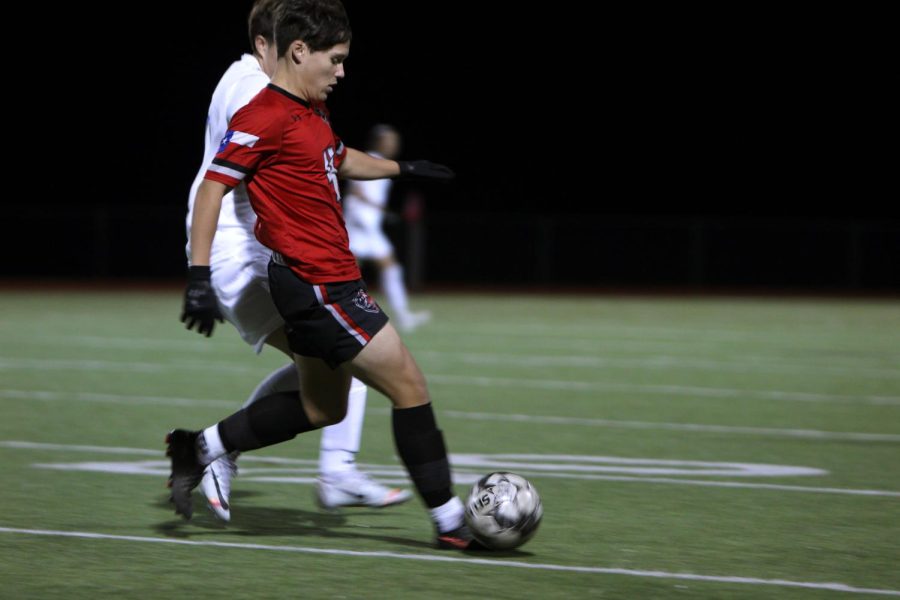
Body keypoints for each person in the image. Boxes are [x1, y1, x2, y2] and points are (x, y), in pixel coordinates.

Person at [171, 0, 478, 549]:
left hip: (325, 278)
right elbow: (213, 187)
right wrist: (198, 277)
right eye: (335, 60)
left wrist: (403, 168)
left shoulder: (310, 112)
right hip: (317, 285)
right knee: (409, 386)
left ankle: (202, 447)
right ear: (296, 51)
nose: (342, 72)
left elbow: (339, 158)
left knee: (324, 405)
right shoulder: (261, 111)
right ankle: (450, 520)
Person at [343, 125, 430, 331]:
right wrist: (381, 209)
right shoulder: (369, 159)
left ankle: (403, 315)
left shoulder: (383, 163)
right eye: (390, 140)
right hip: (359, 223)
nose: (394, 144)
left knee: (390, 267)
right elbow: (356, 191)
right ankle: (345, 316)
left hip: (370, 226)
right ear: (379, 142)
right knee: (349, 273)